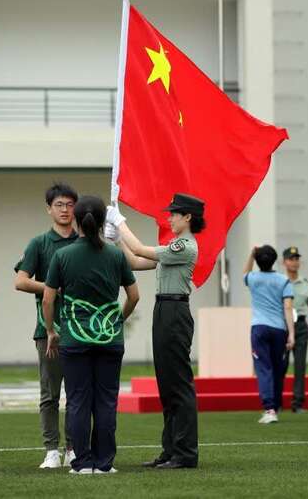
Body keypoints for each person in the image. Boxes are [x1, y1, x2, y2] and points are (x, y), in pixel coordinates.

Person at [42, 195, 139, 475]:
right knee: (106, 401)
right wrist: (117, 320)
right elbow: (134, 296)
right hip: (110, 340)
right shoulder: (115, 254)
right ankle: (104, 462)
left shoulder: (62, 255)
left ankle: (82, 462)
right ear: (101, 222)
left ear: (76, 220)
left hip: (74, 339)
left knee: (78, 401)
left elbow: (48, 300)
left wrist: (51, 330)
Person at [107, 193, 204, 470]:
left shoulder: (185, 246)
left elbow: (139, 249)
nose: (170, 217)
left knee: (179, 384)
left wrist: (119, 220)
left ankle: (185, 453)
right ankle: (170, 449)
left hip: (175, 312)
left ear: (187, 217)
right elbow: (135, 261)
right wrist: (116, 239)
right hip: (164, 310)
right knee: (167, 384)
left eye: (174, 214)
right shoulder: (174, 246)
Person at [14, 183, 78, 469]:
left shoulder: (85, 241)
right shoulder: (39, 243)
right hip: (48, 330)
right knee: (50, 394)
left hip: (81, 329)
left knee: (77, 394)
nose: (65, 210)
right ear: (49, 208)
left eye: (69, 204)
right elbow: (21, 280)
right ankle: (52, 450)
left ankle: (74, 448)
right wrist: (52, 288)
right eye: (59, 205)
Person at [244, 245, 295, 424]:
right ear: (274, 260)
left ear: (258, 260)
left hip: (259, 328)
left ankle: (270, 408)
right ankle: (276, 405)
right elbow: (288, 307)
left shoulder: (253, 278)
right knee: (277, 368)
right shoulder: (284, 280)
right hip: (279, 329)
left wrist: (251, 255)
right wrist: (292, 334)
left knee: (264, 368)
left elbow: (245, 272)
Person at [282, 246, 308, 413]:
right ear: (284, 262)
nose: (294, 262)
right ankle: (274, 402)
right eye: (291, 259)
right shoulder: (280, 281)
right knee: (280, 366)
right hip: (282, 326)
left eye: (296, 258)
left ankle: (297, 403)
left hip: (301, 326)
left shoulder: (307, 285)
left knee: (300, 366)